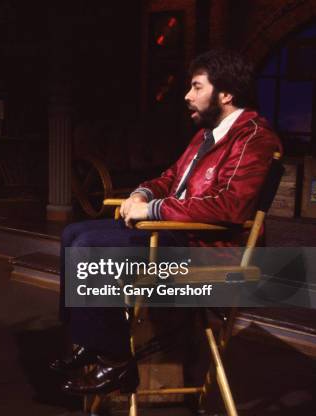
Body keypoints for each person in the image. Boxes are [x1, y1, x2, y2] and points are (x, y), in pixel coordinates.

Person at [51, 49, 282, 395]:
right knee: (73, 232)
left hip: (211, 250)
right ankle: (91, 342)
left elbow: (230, 206)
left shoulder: (254, 138)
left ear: (226, 94)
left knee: (89, 248)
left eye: (196, 87)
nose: (187, 96)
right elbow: (170, 177)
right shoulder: (207, 134)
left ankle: (115, 362)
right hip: (180, 234)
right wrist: (143, 194)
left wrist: (155, 210)